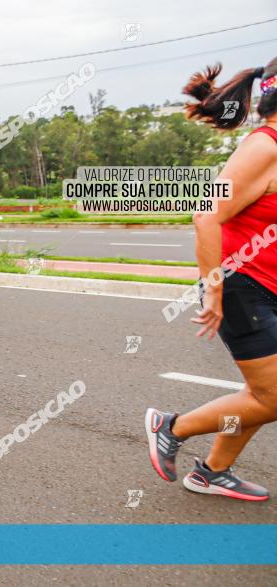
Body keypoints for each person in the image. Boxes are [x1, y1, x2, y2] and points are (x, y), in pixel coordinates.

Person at [146, 59, 277, 501]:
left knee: (262, 393)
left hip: (266, 286)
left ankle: (213, 472)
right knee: (272, 395)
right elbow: (207, 213)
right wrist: (214, 288)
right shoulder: (265, 146)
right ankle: (172, 426)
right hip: (242, 285)